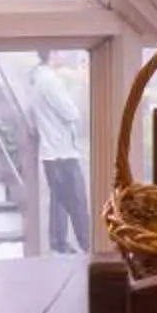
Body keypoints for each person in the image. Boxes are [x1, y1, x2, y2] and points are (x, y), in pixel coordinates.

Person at [29, 47, 90, 253]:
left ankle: (59, 245)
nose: (66, 54)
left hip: (51, 152)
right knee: (77, 204)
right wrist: (80, 83)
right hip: (62, 153)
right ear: (52, 52)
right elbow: (71, 112)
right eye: (62, 50)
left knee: (60, 202)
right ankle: (90, 247)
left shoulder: (38, 79)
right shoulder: (50, 81)